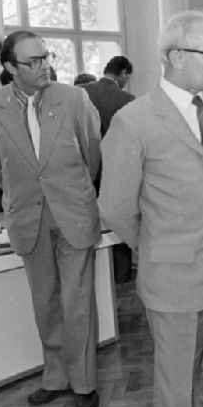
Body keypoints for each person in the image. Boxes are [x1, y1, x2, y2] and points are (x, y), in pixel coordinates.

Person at [99, 10, 203, 407]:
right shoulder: (135, 120)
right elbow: (116, 206)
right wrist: (158, 247)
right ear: (177, 56)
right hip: (173, 274)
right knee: (177, 377)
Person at [0, 30, 102, 407]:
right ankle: (55, 376)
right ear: (11, 67)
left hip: (73, 212)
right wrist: (24, 192)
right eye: (33, 61)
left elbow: (92, 153)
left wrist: (74, 190)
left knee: (76, 300)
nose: (44, 66)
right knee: (44, 301)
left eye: (46, 57)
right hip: (28, 216)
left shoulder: (74, 98)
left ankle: (83, 382)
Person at [81, 55, 135, 283]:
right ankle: (121, 275)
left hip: (84, 169)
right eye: (127, 77)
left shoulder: (80, 92)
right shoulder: (127, 99)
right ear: (123, 73)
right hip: (115, 169)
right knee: (118, 220)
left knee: (87, 221)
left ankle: (97, 276)